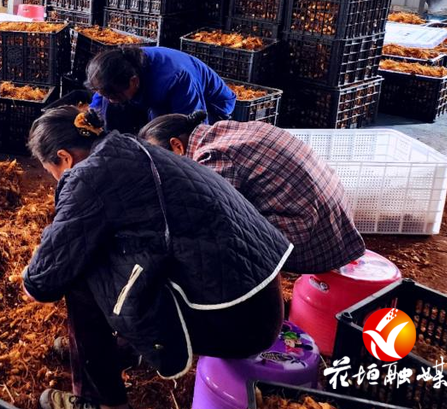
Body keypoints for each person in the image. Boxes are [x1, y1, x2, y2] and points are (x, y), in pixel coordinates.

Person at [24, 105, 291, 409]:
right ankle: (128, 347)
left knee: (82, 274)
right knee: (121, 253)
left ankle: (101, 401)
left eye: (51, 171)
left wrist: (33, 279)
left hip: (236, 322)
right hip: (259, 302)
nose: (55, 179)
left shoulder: (88, 177)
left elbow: (43, 281)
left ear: (64, 158)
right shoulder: (129, 147)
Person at [138, 111, 365, 274]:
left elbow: (207, 221)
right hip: (338, 225)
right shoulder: (228, 129)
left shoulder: (212, 157)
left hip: (315, 246)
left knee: (210, 243)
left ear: (177, 146)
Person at [86, 46, 236, 133]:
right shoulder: (121, 65)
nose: (112, 99)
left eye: (115, 95)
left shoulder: (176, 78)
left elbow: (194, 125)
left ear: (134, 81)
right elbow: (103, 95)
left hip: (212, 107)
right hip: (151, 93)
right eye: (106, 94)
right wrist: (94, 113)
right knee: (109, 109)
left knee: (162, 134)